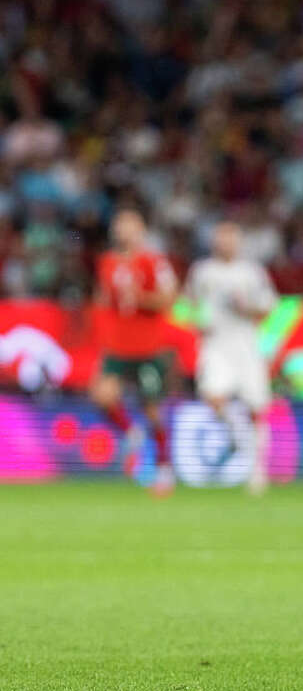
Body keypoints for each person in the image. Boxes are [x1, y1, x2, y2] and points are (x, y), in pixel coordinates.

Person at [185, 221, 278, 494]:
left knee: (257, 409)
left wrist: (246, 308)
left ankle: (257, 472)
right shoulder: (202, 271)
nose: (225, 244)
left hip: (246, 346)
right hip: (216, 345)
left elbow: (266, 309)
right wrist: (197, 321)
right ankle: (235, 433)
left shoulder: (251, 272)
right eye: (221, 239)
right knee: (212, 396)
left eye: (230, 239)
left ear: (239, 242)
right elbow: (189, 303)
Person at [89, 208, 179, 495]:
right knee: (101, 396)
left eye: (128, 224)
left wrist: (142, 298)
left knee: (152, 410)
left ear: (141, 229)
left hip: (148, 348)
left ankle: (164, 470)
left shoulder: (154, 262)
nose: (122, 230)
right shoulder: (107, 263)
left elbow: (169, 299)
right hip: (117, 346)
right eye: (118, 224)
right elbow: (103, 299)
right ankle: (131, 432)